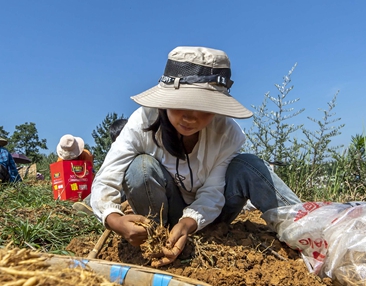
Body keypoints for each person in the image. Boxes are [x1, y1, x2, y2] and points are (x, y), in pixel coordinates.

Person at [90, 46, 301, 267]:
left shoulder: (228, 133)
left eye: (205, 108)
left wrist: (189, 223)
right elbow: (106, 179)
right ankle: (157, 238)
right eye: (182, 104)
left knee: (248, 165)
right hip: (164, 214)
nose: (191, 118)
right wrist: (115, 220)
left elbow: (213, 192)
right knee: (141, 167)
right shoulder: (143, 122)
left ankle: (308, 228)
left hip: (211, 217)